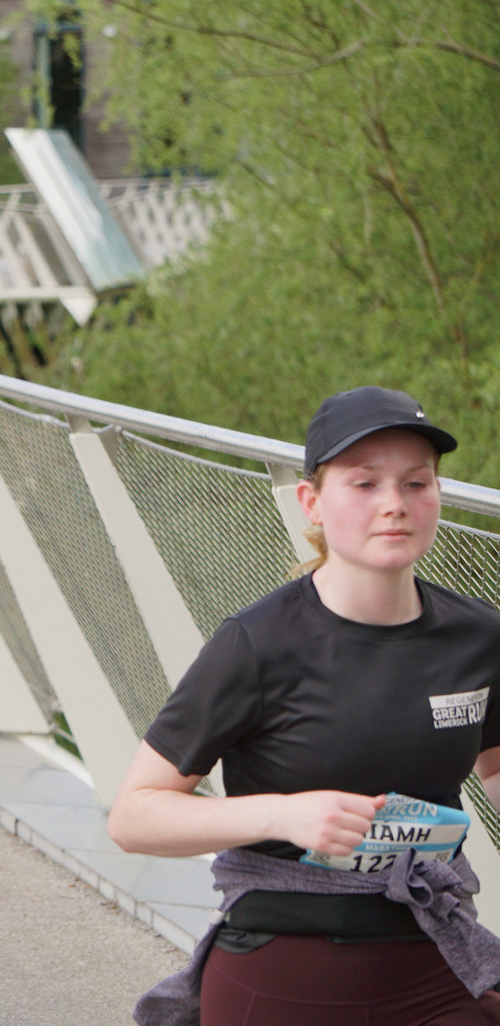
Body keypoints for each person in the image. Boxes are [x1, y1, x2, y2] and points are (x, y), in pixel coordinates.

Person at [110, 386, 500, 1026]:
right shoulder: (255, 643)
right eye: (365, 484)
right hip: (281, 966)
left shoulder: (480, 636)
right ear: (311, 502)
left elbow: (495, 768)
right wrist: (285, 815)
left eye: (416, 483)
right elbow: (133, 817)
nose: (395, 504)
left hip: (433, 956)